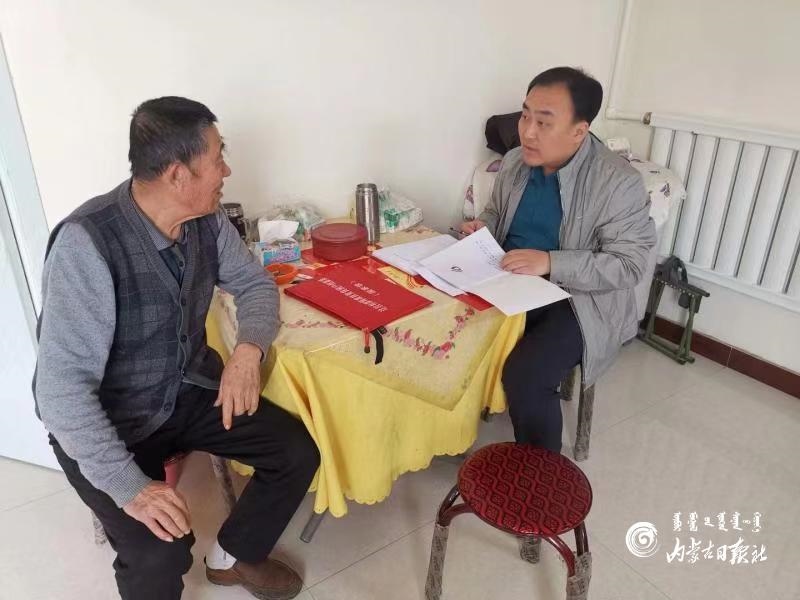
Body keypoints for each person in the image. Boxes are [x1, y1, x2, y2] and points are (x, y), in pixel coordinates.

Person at [33, 96, 319, 600]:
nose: (226, 170)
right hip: (112, 419)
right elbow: (61, 393)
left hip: (188, 390)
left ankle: (233, 556)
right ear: (177, 174)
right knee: (159, 552)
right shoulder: (87, 244)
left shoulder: (206, 220)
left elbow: (255, 286)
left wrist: (247, 352)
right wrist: (130, 486)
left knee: (294, 451)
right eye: (217, 157)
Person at [460, 67, 656, 453]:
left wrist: (551, 262)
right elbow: (496, 213)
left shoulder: (618, 182)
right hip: (512, 280)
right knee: (444, 330)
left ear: (579, 131)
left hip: (580, 300)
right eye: (525, 115)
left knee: (527, 375)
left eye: (544, 122)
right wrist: (482, 229)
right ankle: (449, 437)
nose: (527, 132)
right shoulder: (516, 162)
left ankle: (540, 475)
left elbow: (629, 265)